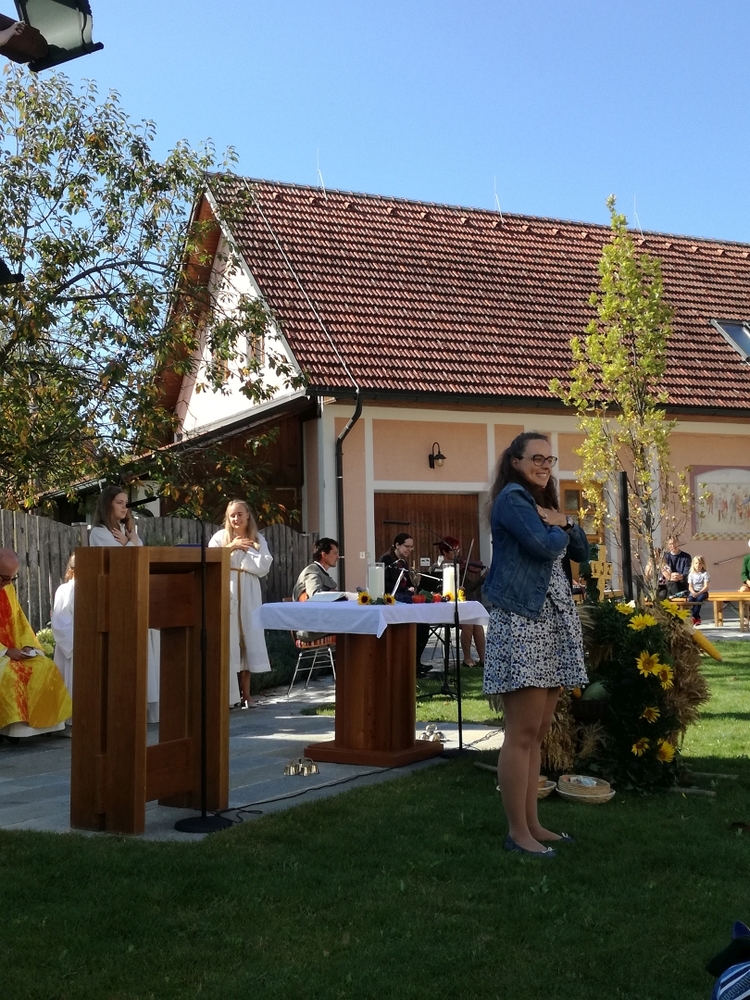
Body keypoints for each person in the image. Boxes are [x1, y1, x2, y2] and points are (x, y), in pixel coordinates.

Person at [483, 432, 589, 859]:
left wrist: (564, 522)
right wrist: (561, 525)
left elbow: (582, 549)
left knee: (539, 731)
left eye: (549, 459)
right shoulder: (512, 499)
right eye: (536, 458)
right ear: (515, 461)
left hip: (552, 620)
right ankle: (517, 833)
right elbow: (544, 547)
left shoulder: (542, 503)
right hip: (524, 620)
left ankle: (533, 824)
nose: (544, 465)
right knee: (521, 733)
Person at [89, 485, 160, 724]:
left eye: (126, 502)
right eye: (119, 502)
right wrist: (130, 544)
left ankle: (141, 704)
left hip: (135, 593)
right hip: (117, 597)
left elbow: (140, 559)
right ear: (108, 505)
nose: (125, 506)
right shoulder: (99, 532)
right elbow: (119, 563)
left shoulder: (127, 531)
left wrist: (131, 540)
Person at [0, 548, 72, 740]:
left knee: (45, 666)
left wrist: (27, 646)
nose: (7, 583)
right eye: (4, 578)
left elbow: (19, 620)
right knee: (13, 674)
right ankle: (14, 730)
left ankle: (48, 725)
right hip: (2, 655)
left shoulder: (8, 588)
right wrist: (5, 651)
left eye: (12, 579)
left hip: (13, 650)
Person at [208, 500, 273, 709]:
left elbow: (264, 565)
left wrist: (248, 552)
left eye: (240, 514)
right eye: (232, 515)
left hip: (249, 590)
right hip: (227, 588)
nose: (236, 519)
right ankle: (229, 695)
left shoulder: (258, 539)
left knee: (248, 639)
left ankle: (246, 694)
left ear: (247, 515)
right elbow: (211, 559)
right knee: (229, 639)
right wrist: (232, 547)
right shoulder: (220, 537)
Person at [432, 537, 487, 669]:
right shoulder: (438, 568)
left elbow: (469, 588)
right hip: (447, 607)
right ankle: (467, 658)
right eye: (454, 550)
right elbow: (438, 590)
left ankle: (483, 659)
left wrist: (482, 578)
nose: (457, 553)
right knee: (469, 623)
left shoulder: (459, 568)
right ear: (445, 552)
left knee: (477, 623)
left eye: (458, 550)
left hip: (461, 606)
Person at [380, 533, 430, 676]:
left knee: (423, 625)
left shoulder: (403, 562)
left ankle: (416, 662)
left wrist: (413, 585)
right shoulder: (386, 560)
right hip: (392, 601)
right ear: (397, 545)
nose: (409, 549)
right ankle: (411, 665)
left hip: (405, 599)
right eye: (406, 546)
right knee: (418, 625)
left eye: (411, 547)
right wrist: (405, 589)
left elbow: (407, 582)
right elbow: (385, 584)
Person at [50, 554, 75, 731]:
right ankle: (69, 721)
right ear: (72, 570)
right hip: (72, 648)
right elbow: (60, 621)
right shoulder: (65, 590)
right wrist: (76, 644)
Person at [687, 555, 710, 626]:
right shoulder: (691, 574)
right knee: (691, 600)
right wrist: (693, 592)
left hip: (703, 592)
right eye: (696, 563)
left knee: (698, 600)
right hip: (694, 591)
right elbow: (690, 586)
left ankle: (694, 617)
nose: (698, 565)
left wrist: (699, 593)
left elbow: (706, 587)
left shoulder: (705, 574)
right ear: (693, 564)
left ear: (703, 564)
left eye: (700, 563)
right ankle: (697, 617)